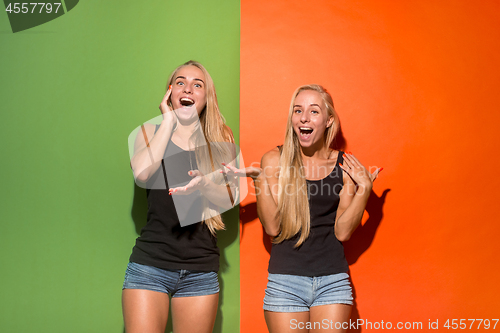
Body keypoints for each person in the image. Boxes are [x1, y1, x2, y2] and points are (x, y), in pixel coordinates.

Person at [226, 84, 380, 333]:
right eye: (298, 110)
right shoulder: (275, 160)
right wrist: (260, 180)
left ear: (329, 120)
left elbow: (343, 232)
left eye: (314, 111)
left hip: (332, 281)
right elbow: (273, 228)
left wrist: (363, 190)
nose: (304, 117)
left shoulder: (345, 165)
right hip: (285, 282)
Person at [123, 60, 236, 333]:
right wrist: (168, 122)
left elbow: (228, 199)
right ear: (170, 92)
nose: (188, 88)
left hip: (200, 270)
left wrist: (204, 187)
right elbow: (142, 173)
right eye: (181, 82)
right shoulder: (149, 131)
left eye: (198, 85)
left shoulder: (221, 138)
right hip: (150, 266)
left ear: (206, 97)